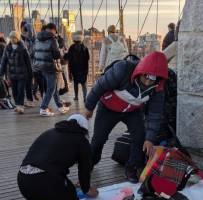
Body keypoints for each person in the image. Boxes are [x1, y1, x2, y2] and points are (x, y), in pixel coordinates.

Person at [8, 114, 98, 200]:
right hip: (47, 182)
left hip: (23, 180)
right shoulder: (81, 140)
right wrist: (88, 189)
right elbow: (84, 172)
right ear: (85, 130)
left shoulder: (49, 132)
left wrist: (64, 183)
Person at [84, 51, 169, 183]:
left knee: (140, 137)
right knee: (98, 139)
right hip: (108, 107)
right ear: (141, 71)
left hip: (132, 111)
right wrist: (89, 107)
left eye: (152, 79)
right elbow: (99, 86)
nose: (147, 82)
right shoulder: (122, 69)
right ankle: (89, 164)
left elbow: (155, 114)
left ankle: (132, 167)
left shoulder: (158, 89)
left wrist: (150, 138)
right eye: (145, 76)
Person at [33, 23, 69, 117]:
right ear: (53, 30)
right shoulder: (52, 39)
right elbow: (56, 55)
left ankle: (60, 106)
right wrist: (62, 53)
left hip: (40, 66)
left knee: (53, 87)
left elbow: (34, 52)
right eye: (55, 30)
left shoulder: (37, 38)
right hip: (49, 66)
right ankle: (43, 108)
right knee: (51, 88)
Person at [0, 30, 32, 114]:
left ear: (17, 38)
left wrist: (31, 74)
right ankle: (17, 105)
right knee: (14, 91)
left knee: (20, 90)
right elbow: (4, 61)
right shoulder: (7, 48)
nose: (12, 39)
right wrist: (1, 72)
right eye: (11, 38)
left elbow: (28, 62)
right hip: (12, 74)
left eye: (14, 37)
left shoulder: (23, 48)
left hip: (22, 74)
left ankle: (20, 106)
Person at [67, 31, 89, 102]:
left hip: (74, 69)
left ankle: (76, 96)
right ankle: (85, 97)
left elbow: (69, 58)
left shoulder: (71, 47)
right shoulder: (85, 48)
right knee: (84, 84)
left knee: (75, 83)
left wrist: (70, 71)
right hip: (83, 69)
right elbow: (87, 58)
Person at [20, 21, 36, 106]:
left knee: (29, 82)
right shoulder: (23, 39)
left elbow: (32, 52)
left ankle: (30, 99)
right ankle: (29, 99)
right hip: (27, 64)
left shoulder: (29, 40)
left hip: (30, 64)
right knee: (27, 83)